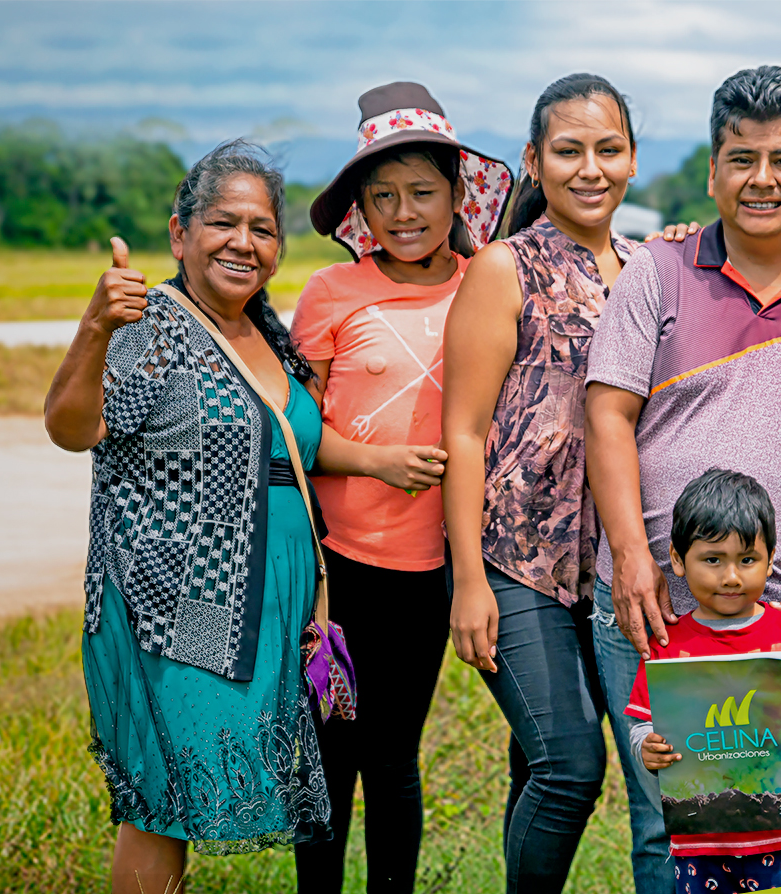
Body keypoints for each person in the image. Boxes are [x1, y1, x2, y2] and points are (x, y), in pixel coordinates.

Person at [44, 139, 443, 893]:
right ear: (180, 234)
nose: (243, 243)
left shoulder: (265, 334)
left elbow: (291, 445)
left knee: (189, 790)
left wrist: (380, 461)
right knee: (163, 798)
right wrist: (95, 327)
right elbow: (74, 429)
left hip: (262, 603)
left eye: (262, 229)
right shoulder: (152, 326)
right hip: (182, 602)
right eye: (224, 223)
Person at [583, 64, 781, 888]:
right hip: (653, 604)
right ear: (713, 171)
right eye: (742, 159)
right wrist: (631, 558)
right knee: (670, 819)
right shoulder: (655, 273)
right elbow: (607, 415)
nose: (763, 179)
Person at [291, 80, 507, 894]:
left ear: (457, 194)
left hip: (431, 572)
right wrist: (374, 462)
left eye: (422, 192)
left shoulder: (488, 281)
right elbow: (294, 433)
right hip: (335, 568)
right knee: (329, 750)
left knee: (392, 754)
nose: (403, 212)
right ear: (361, 209)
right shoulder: (330, 293)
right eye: (383, 196)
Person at [440, 72, 644, 893]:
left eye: (608, 149)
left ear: (632, 160)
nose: (589, 168)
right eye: (568, 151)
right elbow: (463, 431)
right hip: (514, 560)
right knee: (570, 764)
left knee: (537, 764)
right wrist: (468, 580)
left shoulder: (649, 270)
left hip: (611, 566)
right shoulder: (503, 267)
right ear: (534, 160)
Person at [627, 469, 781, 891]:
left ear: (770, 559)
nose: (731, 577)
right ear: (677, 559)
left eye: (747, 560)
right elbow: (642, 723)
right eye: (713, 560)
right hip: (701, 848)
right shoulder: (667, 645)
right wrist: (646, 748)